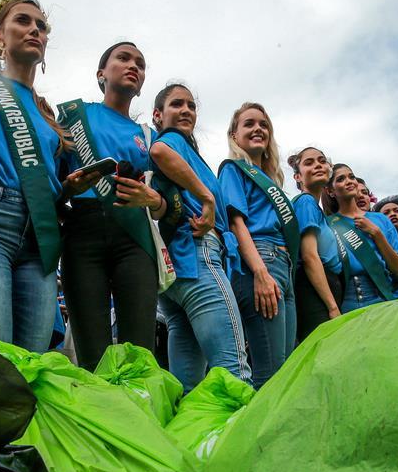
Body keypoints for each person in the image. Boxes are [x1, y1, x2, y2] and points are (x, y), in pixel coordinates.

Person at [0, 0, 94, 352]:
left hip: (38, 235)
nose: (34, 30)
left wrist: (68, 188)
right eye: (23, 22)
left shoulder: (47, 116)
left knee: (34, 360)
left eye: (41, 27)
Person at [56, 42, 169, 371]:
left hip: (134, 237)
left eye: (141, 63)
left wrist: (156, 200)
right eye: (123, 58)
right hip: (82, 233)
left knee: (139, 354)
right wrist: (69, 187)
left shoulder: (149, 137)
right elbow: (51, 182)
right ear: (101, 74)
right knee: (92, 354)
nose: (134, 65)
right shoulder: (73, 116)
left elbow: (168, 201)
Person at [149, 83, 251, 392]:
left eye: (191, 106)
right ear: (158, 115)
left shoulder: (190, 154)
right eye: (177, 104)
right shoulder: (172, 141)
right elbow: (159, 151)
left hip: (173, 270)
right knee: (234, 371)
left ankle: (186, 439)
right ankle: (246, 439)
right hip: (198, 254)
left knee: (187, 385)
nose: (186, 110)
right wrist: (207, 197)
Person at [218, 103, 296, 387]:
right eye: (249, 124)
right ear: (234, 135)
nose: (258, 129)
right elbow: (237, 224)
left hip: (282, 268)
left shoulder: (270, 181)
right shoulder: (233, 170)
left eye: (263, 124)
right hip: (260, 263)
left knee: (285, 367)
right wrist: (260, 273)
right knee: (270, 372)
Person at [323, 164, 398, 312]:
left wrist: (376, 233)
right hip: (351, 303)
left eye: (351, 176)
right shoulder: (328, 224)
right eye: (341, 179)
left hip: (385, 298)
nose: (349, 181)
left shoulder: (380, 220)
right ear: (330, 191)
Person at [288, 147, 343, 342]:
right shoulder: (306, 203)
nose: (318, 165)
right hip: (315, 293)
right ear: (297, 177)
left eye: (321, 160)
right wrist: (332, 306)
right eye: (309, 163)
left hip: (323, 289)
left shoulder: (317, 209)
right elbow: (310, 256)